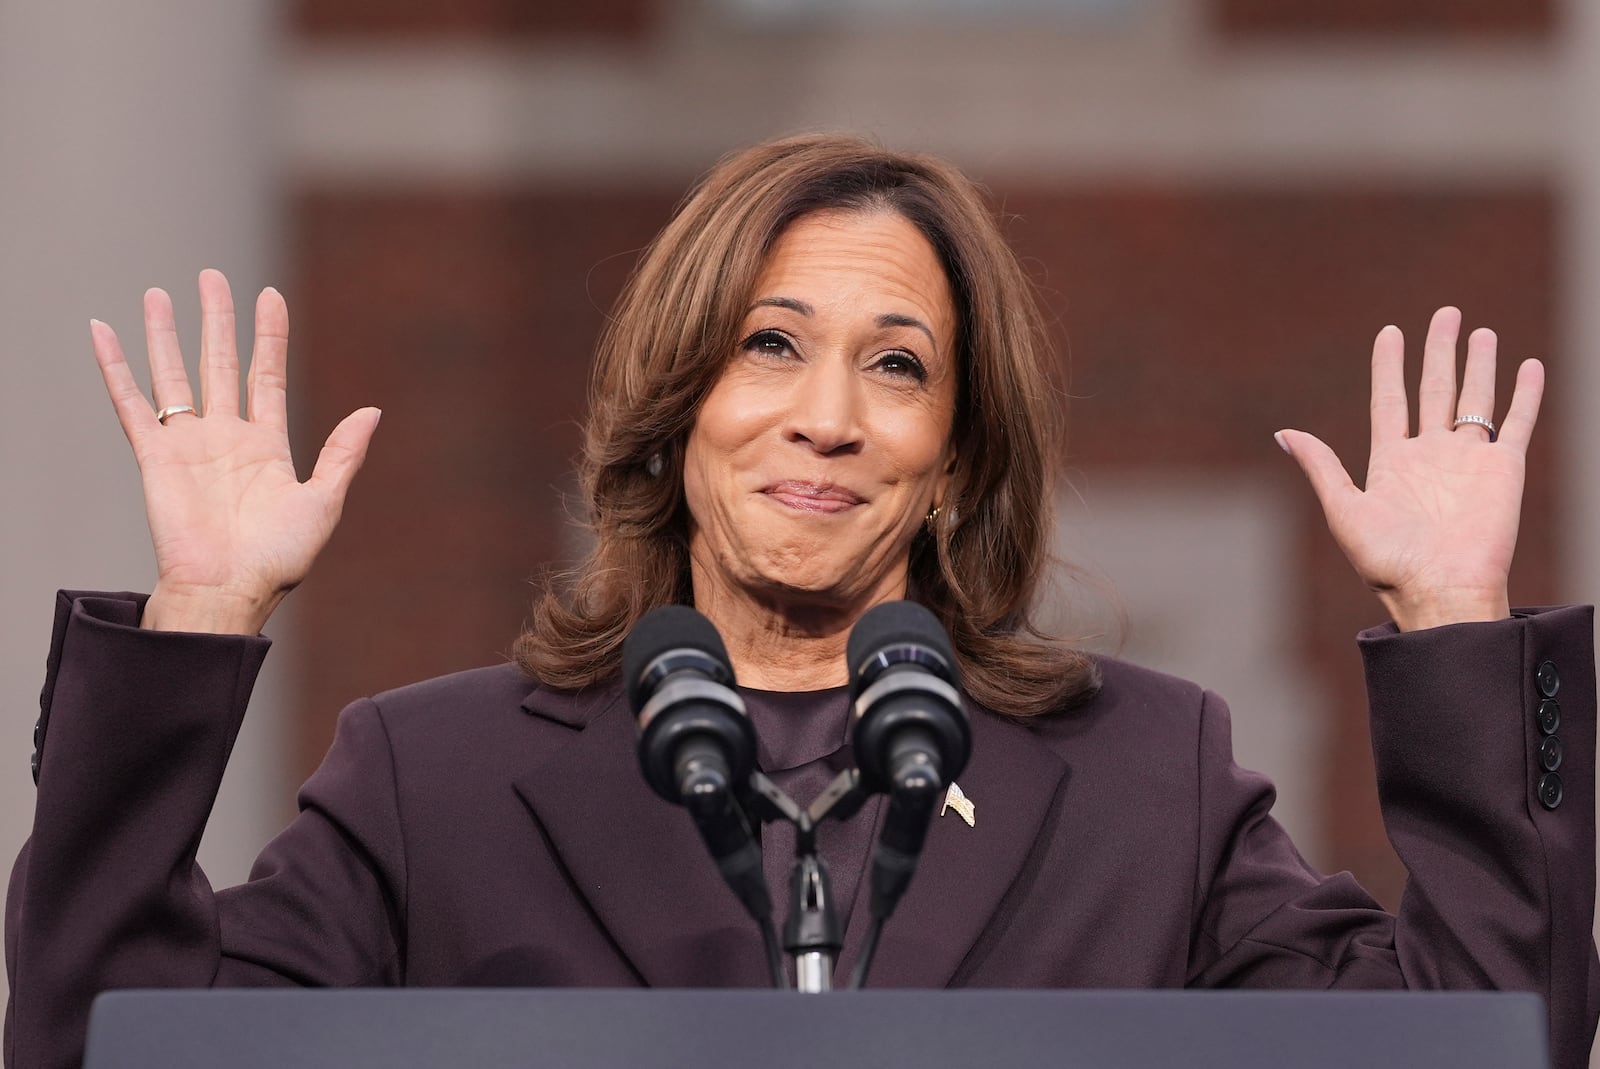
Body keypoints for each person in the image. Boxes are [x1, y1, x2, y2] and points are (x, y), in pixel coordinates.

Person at [6, 134, 1597, 1069]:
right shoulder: (437, 782)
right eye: (770, 345)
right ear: (675, 402)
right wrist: (202, 613)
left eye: (896, 367)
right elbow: (99, 1045)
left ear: (956, 456)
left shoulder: (1145, 781)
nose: (825, 415)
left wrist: (1456, 615)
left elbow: (1481, 1045)